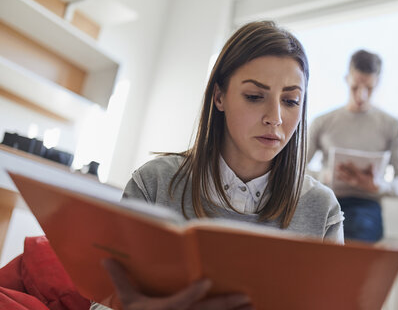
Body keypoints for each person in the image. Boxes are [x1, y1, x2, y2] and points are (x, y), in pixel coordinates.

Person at [92, 21, 344, 310]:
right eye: (254, 96)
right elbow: (103, 302)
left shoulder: (322, 209)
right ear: (219, 97)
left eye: (290, 100)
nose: (275, 117)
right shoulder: (153, 184)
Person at [307, 49, 398, 243]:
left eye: (369, 88)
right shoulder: (322, 122)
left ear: (378, 82)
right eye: (355, 87)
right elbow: (295, 171)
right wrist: (325, 176)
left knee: (357, 228)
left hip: (366, 206)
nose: (361, 96)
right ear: (347, 79)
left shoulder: (392, 126)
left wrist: (379, 185)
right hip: (326, 197)